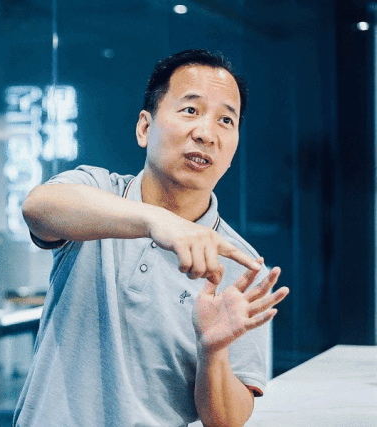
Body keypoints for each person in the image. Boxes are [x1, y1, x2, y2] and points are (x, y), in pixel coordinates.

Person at [14, 49, 290, 427]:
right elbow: (38, 207)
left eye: (226, 120)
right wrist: (157, 221)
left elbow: (228, 420)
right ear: (145, 128)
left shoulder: (242, 266)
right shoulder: (99, 193)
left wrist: (213, 352)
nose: (206, 133)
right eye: (190, 110)